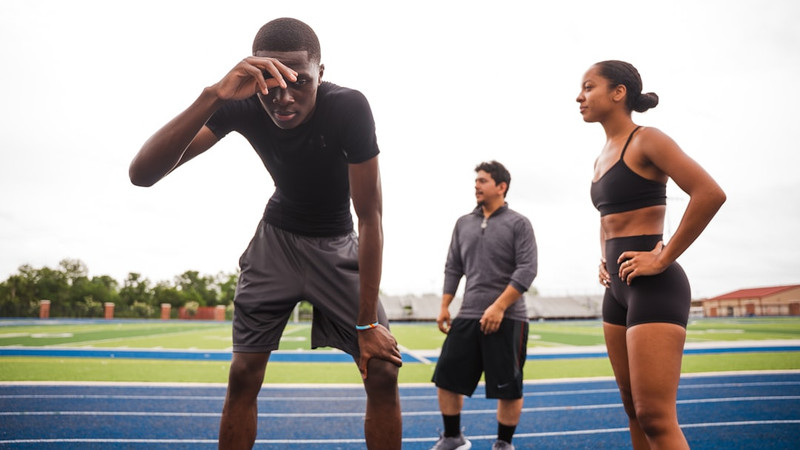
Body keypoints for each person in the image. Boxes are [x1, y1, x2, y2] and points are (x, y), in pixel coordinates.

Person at [128, 18, 402, 449]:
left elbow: (370, 218)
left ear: (321, 73)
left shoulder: (349, 107)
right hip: (276, 242)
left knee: (383, 368)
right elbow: (142, 175)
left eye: (300, 82)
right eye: (270, 82)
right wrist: (213, 96)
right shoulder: (240, 104)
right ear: (254, 75)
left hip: (336, 243)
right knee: (242, 374)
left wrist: (368, 321)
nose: (284, 97)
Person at [577, 60, 726, 449]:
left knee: (655, 417)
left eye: (589, 87)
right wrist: (603, 258)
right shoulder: (601, 156)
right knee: (632, 410)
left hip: (655, 287)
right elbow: (607, 218)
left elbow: (709, 193)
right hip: (618, 290)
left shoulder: (647, 140)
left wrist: (662, 258)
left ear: (618, 92)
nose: (580, 96)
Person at [430, 161, 538, 450]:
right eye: (476, 180)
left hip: (509, 317)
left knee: (508, 388)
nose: (476, 185)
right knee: (446, 379)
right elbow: (453, 266)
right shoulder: (463, 223)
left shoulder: (519, 223)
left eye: (483, 181)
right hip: (468, 314)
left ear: (501, 187)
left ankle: (503, 443)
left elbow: (527, 269)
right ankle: (453, 437)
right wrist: (444, 306)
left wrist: (499, 307)